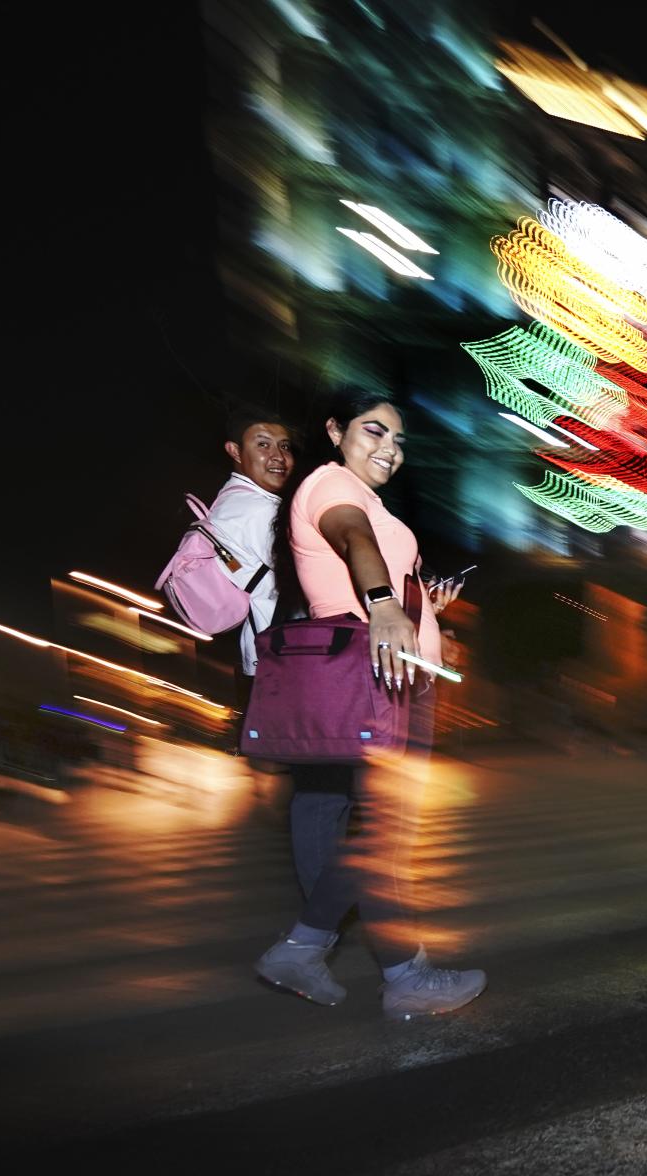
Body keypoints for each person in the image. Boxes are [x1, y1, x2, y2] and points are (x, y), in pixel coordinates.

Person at [252, 388, 485, 1020]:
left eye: (399, 440)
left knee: (384, 836)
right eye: (374, 431)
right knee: (384, 837)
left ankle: (319, 952)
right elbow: (351, 537)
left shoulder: (365, 498)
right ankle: (376, 968)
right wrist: (384, 603)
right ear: (335, 431)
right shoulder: (331, 487)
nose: (390, 448)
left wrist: (420, 609)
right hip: (377, 679)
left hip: (398, 675)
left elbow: (366, 553)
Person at [207, 406, 295, 685]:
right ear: (234, 451)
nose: (278, 457)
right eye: (263, 445)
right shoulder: (254, 509)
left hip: (267, 653)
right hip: (285, 655)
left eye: (284, 446)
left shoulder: (231, 499)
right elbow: (309, 571)